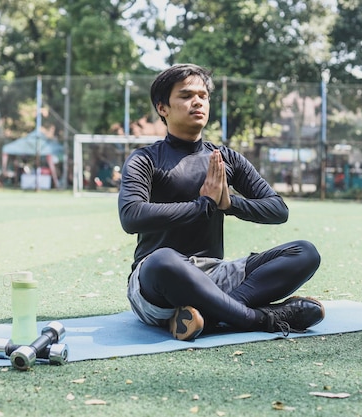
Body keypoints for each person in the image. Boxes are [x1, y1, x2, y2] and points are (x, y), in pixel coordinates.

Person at [118, 64, 324, 341]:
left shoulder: (226, 158)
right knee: (162, 259)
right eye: (186, 95)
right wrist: (201, 205)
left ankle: (212, 317)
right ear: (162, 108)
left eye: (203, 96)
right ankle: (260, 318)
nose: (197, 102)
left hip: (216, 275)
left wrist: (230, 205)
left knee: (305, 253)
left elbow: (278, 209)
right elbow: (131, 216)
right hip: (159, 284)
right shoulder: (145, 160)